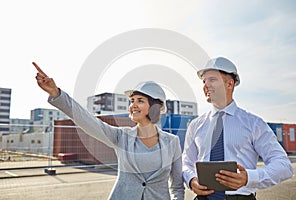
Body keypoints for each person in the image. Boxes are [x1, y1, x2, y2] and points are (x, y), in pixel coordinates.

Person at [33, 62, 184, 200]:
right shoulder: (121, 136)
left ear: (155, 107)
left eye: (140, 101)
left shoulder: (172, 142)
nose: (133, 105)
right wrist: (56, 93)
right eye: (132, 101)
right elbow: (88, 120)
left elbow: (177, 186)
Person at [182, 57, 293, 200]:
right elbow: (186, 162)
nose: (206, 85)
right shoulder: (196, 125)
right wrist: (191, 180)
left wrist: (249, 177)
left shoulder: (254, 123)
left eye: (212, 80)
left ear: (229, 84)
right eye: (204, 81)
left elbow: (284, 166)